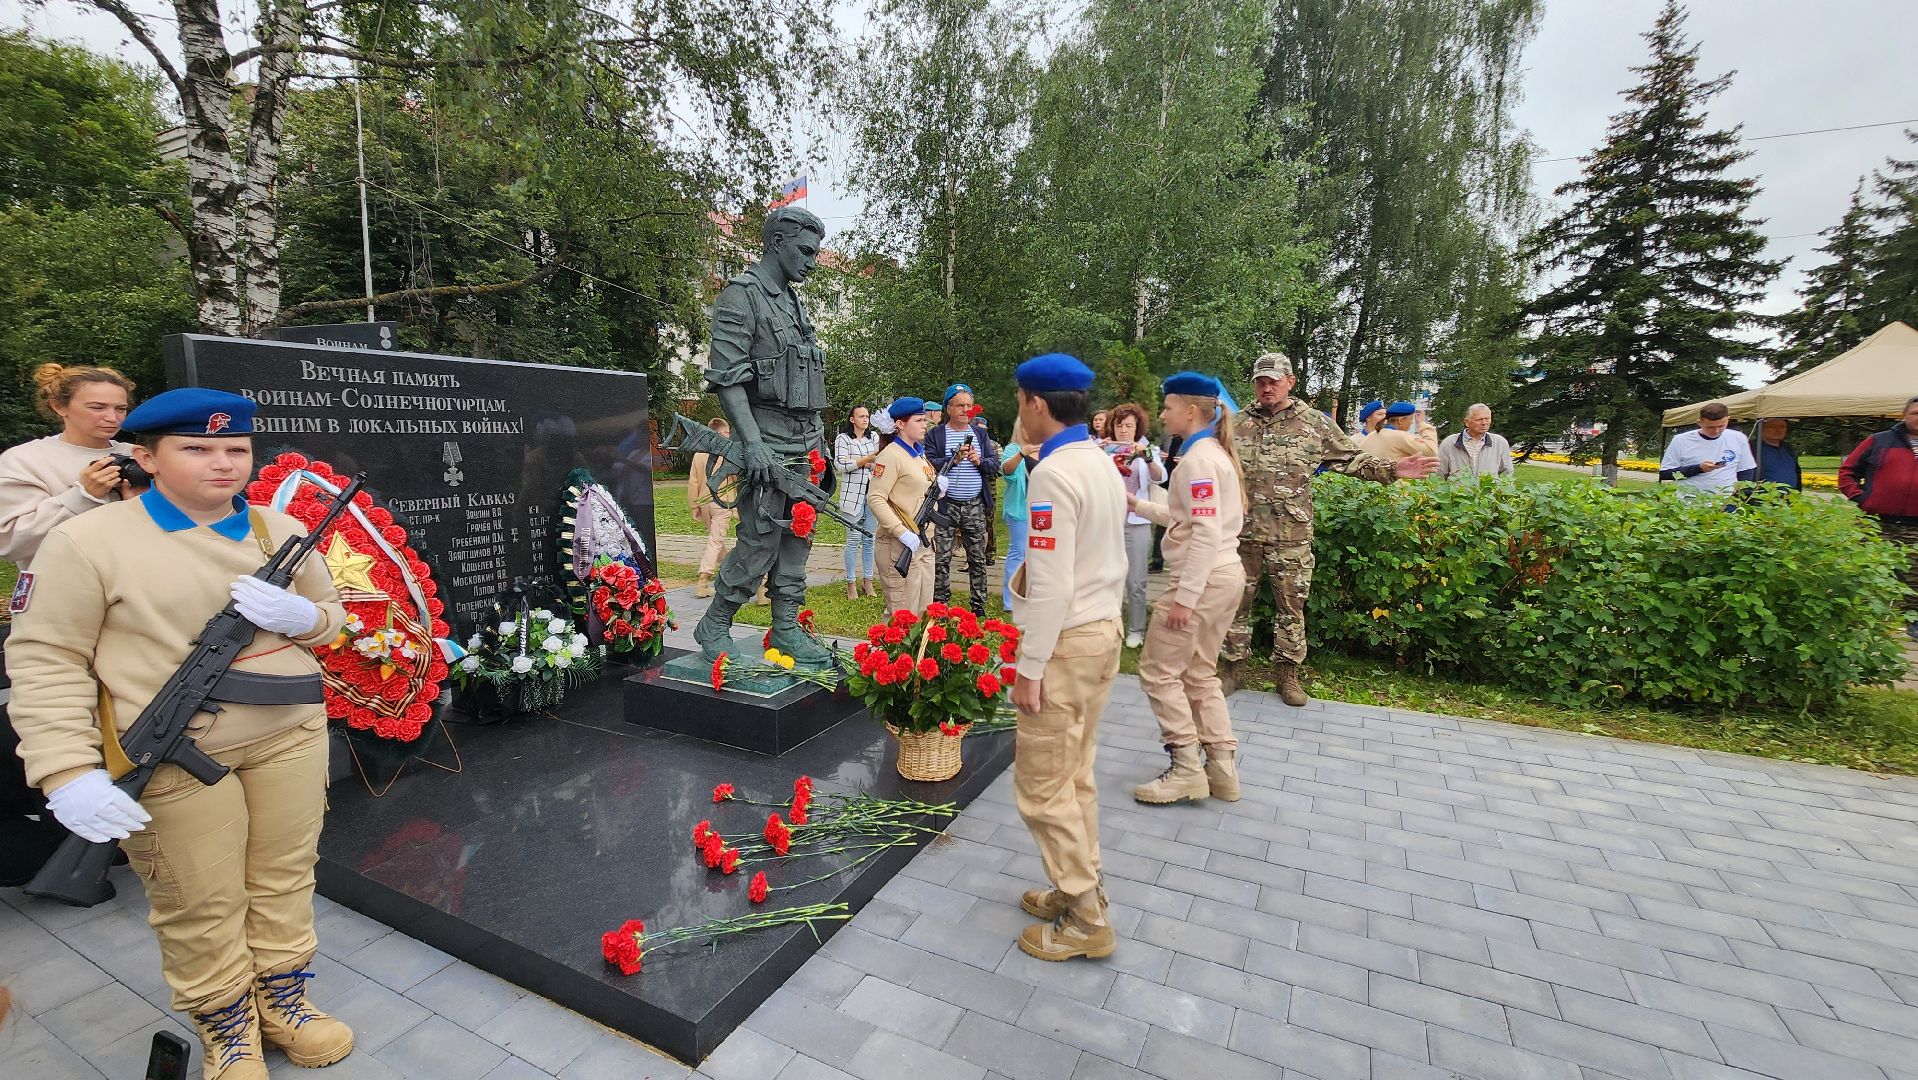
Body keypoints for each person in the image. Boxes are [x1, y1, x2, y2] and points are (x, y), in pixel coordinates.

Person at [8, 388, 353, 1080]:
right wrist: (64, 770)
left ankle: (283, 998)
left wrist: (302, 619)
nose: (222, 463)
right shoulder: (88, 540)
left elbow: (334, 617)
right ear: (147, 457)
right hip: (173, 757)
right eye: (196, 448)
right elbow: (46, 658)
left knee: (284, 878)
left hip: (289, 736)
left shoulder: (273, 528)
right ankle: (227, 1023)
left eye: (235, 449)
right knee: (198, 896)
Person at [1223, 353, 1437, 705]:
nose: (1266, 387)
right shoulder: (1235, 423)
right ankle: (1233, 669)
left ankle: (1287, 675)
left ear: (1290, 381)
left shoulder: (1314, 424)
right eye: (1260, 381)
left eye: (1273, 380)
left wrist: (1395, 469)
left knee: (1291, 609)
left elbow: (1352, 459)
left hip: (1290, 536)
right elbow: (1215, 467)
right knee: (1233, 604)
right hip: (1241, 535)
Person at [1005, 353, 1126, 962]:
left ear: (1038, 404)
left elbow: (1050, 584)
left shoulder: (1053, 475)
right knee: (1076, 774)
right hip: (1100, 635)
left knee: (1042, 786)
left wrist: (1028, 669)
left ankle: (1085, 917)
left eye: (1019, 400)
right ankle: (1081, 884)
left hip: (1065, 645)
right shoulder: (1099, 461)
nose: (1017, 412)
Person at [689, 206, 834, 664]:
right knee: (760, 539)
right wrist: (751, 442)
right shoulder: (741, 296)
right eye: (805, 251)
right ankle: (715, 623)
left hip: (807, 443)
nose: (812, 261)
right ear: (777, 243)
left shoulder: (791, 300)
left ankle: (786, 628)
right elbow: (727, 378)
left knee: (799, 538)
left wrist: (820, 444)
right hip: (767, 441)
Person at [1127, 373, 1248, 805]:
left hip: (1204, 579)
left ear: (1191, 410)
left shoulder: (1198, 461)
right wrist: (1137, 505)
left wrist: (1184, 597)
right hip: (1223, 575)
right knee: (1198, 673)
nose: (1162, 414)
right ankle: (1222, 768)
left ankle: (1185, 768)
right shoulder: (1211, 453)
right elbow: (1188, 520)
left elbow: (1204, 533)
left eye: (1168, 406)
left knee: (1158, 672)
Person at [0, 363, 138, 569]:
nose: (112, 418)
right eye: (97, 407)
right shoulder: (25, 460)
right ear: (59, 406)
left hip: (134, 583)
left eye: (121, 409)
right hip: (61, 588)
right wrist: (83, 497)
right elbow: (10, 544)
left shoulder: (138, 454)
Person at [1840, 397, 1918, 639]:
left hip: (1915, 525)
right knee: (1865, 573)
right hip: (1876, 522)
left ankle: (1914, 621)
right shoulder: (1879, 441)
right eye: (1915, 412)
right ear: (1904, 415)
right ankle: (1859, 622)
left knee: (1915, 576)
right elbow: (1847, 472)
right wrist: (1862, 498)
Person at [926, 384, 1000, 614]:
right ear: (949, 408)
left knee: (977, 557)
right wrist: (953, 460)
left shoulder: (980, 433)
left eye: (969, 406)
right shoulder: (936, 435)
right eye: (960, 405)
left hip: (974, 505)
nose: (965, 410)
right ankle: (940, 605)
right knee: (942, 558)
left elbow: (994, 466)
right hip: (946, 506)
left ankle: (978, 606)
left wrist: (979, 461)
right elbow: (928, 464)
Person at [1105, 403, 1167, 648]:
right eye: (1119, 425)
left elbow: (1160, 477)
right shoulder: (1106, 449)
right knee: (1109, 576)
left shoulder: (1147, 449)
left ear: (1137, 427)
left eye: (1129, 425)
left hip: (1137, 520)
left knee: (1136, 580)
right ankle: (1111, 624)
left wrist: (1147, 457)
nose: (1123, 430)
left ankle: (1136, 629)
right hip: (1110, 520)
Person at [869, 398, 938, 614]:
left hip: (924, 541)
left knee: (924, 613)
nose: (924, 424)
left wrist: (938, 489)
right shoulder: (890, 456)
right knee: (902, 617)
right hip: (899, 543)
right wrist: (900, 532)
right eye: (918, 420)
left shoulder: (919, 454)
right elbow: (876, 498)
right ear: (900, 424)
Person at [688, 417, 739, 599]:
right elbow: (735, 479)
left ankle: (730, 574)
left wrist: (694, 505)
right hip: (722, 502)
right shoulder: (725, 453)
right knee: (715, 542)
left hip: (705, 504)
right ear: (718, 434)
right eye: (726, 433)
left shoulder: (699, 454)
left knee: (716, 541)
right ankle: (703, 579)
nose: (729, 436)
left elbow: (693, 482)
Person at [1660, 402, 1755, 496]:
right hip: (1690, 502)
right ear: (1699, 422)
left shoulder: (1739, 438)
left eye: (1721, 426)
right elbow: (1665, 473)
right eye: (1710, 427)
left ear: (1728, 419)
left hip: (1726, 501)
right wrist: (1699, 468)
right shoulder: (1681, 440)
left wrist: (1739, 496)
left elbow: (1746, 470)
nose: (1716, 431)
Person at [835, 406, 881, 599]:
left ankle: (868, 582)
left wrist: (858, 460)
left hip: (872, 495)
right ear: (852, 419)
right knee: (853, 540)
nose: (865, 419)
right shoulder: (843, 439)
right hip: (852, 496)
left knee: (869, 539)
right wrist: (866, 460)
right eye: (861, 416)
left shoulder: (875, 438)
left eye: (867, 416)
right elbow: (841, 465)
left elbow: (879, 462)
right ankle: (851, 583)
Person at [999, 417, 1038, 612]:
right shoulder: (1013, 449)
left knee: (1041, 555)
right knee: (1018, 553)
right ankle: (1011, 601)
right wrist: (1023, 453)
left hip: (1044, 510)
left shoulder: (1048, 449)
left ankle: (1035, 596)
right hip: (1020, 511)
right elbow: (1007, 471)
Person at [1436, 403, 1515, 481]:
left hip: (1488, 493)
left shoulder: (1499, 443)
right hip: (1459, 493)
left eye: (1487, 419)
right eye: (1479, 419)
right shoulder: (1450, 443)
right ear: (1467, 422)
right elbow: (1439, 474)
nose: (1484, 423)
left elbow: (1507, 474)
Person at [1358, 401, 1438, 462]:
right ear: (1400, 420)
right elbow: (1431, 452)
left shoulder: (1370, 436)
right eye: (1411, 419)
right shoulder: (1401, 437)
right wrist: (1422, 424)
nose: (1412, 422)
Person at [1754, 418, 1802, 490]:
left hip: (1790, 497)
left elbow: (1796, 471)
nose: (1778, 430)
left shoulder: (1787, 448)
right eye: (1773, 427)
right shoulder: (1753, 448)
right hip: (1765, 498)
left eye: (1782, 427)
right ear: (1762, 429)